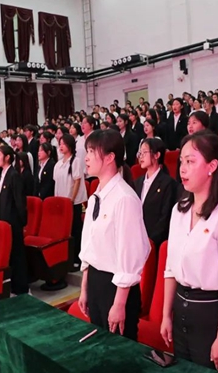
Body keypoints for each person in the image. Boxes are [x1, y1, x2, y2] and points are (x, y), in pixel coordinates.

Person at [161, 131, 218, 372]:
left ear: (212, 166)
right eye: (182, 161)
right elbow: (170, 269)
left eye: (191, 162)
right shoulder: (179, 210)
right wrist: (166, 314)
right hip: (181, 308)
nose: (183, 168)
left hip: (212, 314)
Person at [78, 129, 150, 341]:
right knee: (100, 348)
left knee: (119, 350)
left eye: (92, 151)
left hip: (117, 288)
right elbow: (89, 247)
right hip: (96, 281)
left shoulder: (124, 198)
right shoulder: (96, 196)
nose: (86, 158)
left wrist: (119, 304)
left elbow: (130, 257)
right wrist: (85, 288)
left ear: (110, 157)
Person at [0, 145, 29, 295]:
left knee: (17, 255)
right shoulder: (2, 174)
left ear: (7, 157)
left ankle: (22, 288)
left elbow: (20, 202)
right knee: (10, 255)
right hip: (4, 222)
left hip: (13, 223)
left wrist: (22, 222)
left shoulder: (14, 175)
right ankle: (13, 287)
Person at [134, 138, 177, 249]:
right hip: (136, 242)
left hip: (154, 244)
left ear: (157, 155)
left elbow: (165, 219)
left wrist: (150, 242)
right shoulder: (137, 183)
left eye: (144, 152)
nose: (141, 156)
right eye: (140, 153)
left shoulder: (168, 183)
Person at [54, 134, 88, 273]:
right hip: (62, 203)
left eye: (63, 143)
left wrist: (71, 199)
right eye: (60, 144)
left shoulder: (76, 161)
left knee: (75, 230)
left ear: (70, 145)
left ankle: (76, 259)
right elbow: (57, 184)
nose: (61, 146)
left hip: (73, 202)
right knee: (65, 231)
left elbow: (77, 181)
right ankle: (66, 258)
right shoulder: (58, 164)